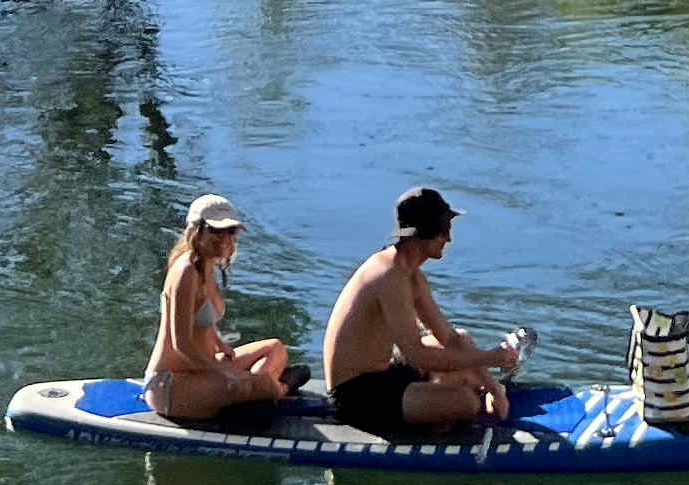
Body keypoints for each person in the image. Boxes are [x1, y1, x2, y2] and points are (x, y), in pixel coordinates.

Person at [320, 185, 520, 437]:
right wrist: (488, 359)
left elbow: (449, 338)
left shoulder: (411, 276)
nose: (449, 239)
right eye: (443, 230)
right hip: (356, 394)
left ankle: (440, 395)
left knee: (462, 340)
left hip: (385, 372)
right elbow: (417, 356)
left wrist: (493, 388)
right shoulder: (388, 276)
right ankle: (433, 414)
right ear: (421, 234)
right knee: (466, 402)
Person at [142, 193, 294, 423]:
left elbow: (202, 319)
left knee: (275, 348)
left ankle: (255, 393)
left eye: (231, 231)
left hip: (204, 369)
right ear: (196, 230)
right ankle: (273, 390)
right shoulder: (186, 272)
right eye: (215, 230)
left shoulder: (206, 264)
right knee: (262, 382)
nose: (225, 238)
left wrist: (220, 345)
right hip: (171, 384)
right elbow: (181, 343)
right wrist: (226, 372)